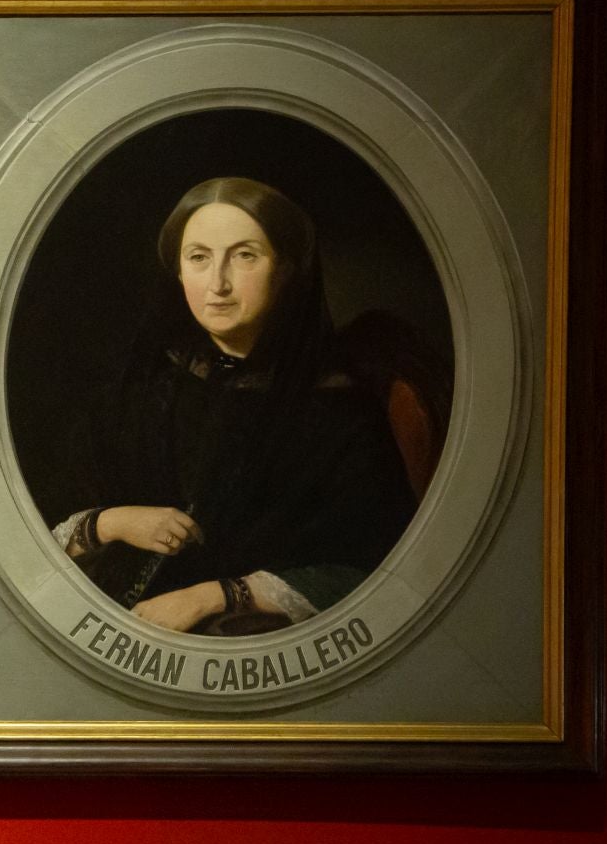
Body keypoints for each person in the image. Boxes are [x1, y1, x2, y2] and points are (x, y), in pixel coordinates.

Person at [49, 176, 418, 634]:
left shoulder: (339, 412)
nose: (218, 283)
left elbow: (376, 573)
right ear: (178, 271)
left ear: (285, 268)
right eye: (199, 258)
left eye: (245, 256)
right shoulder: (132, 395)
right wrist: (113, 522)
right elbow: (31, 546)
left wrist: (217, 596)